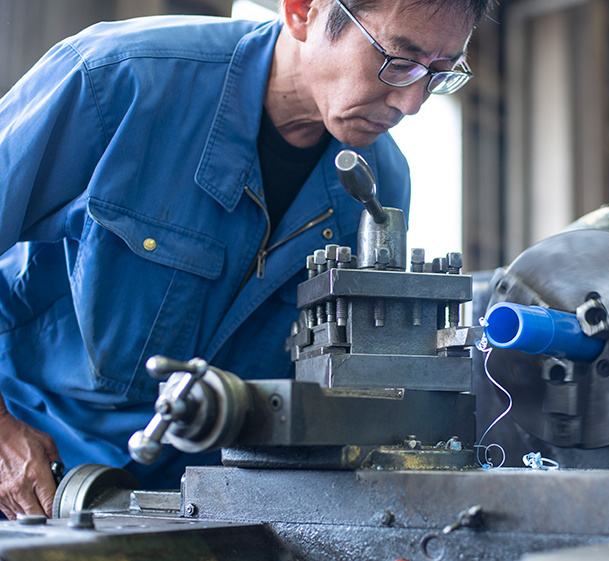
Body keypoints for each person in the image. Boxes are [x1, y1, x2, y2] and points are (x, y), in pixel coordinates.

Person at [0, 0, 488, 519]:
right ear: (304, 12)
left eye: (438, 73)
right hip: (34, 477)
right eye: (399, 59)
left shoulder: (378, 184)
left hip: (204, 504)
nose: (412, 102)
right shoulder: (116, 82)